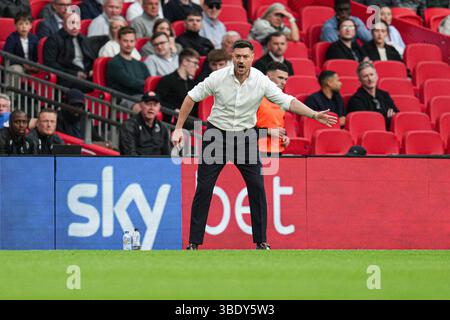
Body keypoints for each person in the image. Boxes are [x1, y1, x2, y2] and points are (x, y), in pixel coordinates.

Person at [171, 40, 337, 250]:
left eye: (245, 56)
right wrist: (178, 128)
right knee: (204, 188)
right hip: (216, 135)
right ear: (233, 57)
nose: (241, 60)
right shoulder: (218, 77)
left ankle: (261, 242)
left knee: (257, 188)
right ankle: (194, 243)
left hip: (245, 138)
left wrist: (313, 114)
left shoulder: (261, 81)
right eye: (237, 56)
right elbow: (191, 97)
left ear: (252, 58)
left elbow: (287, 101)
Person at [43, 11, 96, 92]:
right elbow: (50, 64)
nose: (74, 27)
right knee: (93, 87)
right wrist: (74, 74)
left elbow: (90, 59)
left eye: (77, 23)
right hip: (66, 78)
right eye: (71, 23)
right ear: (64, 24)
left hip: (85, 76)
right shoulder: (53, 40)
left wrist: (92, 70)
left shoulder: (83, 39)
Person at [155, 48, 200, 127]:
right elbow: (157, 100)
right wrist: (173, 110)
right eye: (195, 63)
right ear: (185, 62)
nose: (197, 67)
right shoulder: (167, 80)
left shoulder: (193, 84)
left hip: (193, 124)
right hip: (173, 123)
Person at [347, 61, 398, 127]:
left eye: (371, 74)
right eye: (365, 76)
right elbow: (367, 122)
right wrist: (387, 117)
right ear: (360, 80)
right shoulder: (356, 100)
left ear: (377, 76)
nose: (370, 79)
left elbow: (396, 114)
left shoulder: (385, 95)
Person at [106, 26, 150, 100]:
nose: (129, 44)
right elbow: (130, 83)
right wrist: (146, 84)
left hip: (142, 99)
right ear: (118, 41)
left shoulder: (141, 65)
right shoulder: (113, 63)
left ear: (135, 42)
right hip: (123, 100)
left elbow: (149, 81)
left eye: (131, 41)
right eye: (125, 41)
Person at [256, 62, 291, 155]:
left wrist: (285, 137)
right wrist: (268, 131)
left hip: (277, 150)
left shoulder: (282, 100)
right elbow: (244, 128)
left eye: (285, 79)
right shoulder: (255, 98)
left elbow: (278, 125)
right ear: (268, 77)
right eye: (280, 78)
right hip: (257, 150)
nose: (283, 82)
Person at [3, 13, 40, 79]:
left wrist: (35, 65)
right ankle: (11, 89)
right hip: (18, 65)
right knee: (16, 70)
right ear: (15, 26)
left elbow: (37, 56)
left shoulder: (34, 38)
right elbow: (7, 57)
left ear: (30, 26)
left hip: (31, 65)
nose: (24, 26)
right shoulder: (11, 38)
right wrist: (23, 64)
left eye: (26, 24)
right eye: (20, 24)